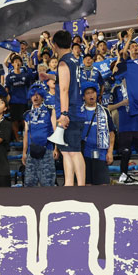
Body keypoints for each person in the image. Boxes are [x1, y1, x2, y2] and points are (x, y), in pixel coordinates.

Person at [52, 30, 86, 186]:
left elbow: (65, 89)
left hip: (70, 111)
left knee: (73, 151)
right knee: (66, 152)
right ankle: (69, 184)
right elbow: (68, 81)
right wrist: (50, 77)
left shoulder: (63, 63)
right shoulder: (74, 59)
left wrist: (64, 114)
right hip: (76, 109)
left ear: (55, 45)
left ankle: (80, 186)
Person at [22, 85, 57, 187]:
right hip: (31, 152)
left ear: (42, 97)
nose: (35, 97)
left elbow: (55, 130)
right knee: (29, 183)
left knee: (48, 183)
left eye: (38, 95)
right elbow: (26, 134)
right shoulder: (27, 114)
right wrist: (24, 152)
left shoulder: (50, 110)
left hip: (47, 150)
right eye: (33, 95)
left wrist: (56, 148)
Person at [80, 83, 115, 185]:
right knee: (86, 186)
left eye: (93, 92)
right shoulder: (79, 112)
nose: (91, 95)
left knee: (103, 186)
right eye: (88, 93)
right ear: (83, 97)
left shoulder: (105, 111)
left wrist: (110, 152)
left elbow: (111, 133)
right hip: (84, 154)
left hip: (101, 154)